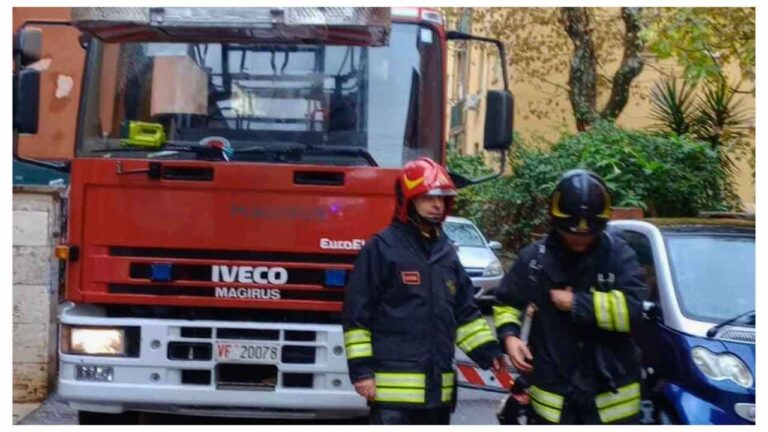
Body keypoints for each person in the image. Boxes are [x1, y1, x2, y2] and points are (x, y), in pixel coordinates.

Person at [342, 157, 505, 425]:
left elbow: (464, 314)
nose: (437, 205)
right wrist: (362, 373)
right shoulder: (382, 249)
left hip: (437, 395)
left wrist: (489, 351)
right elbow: (357, 317)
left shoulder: (446, 253)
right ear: (409, 200)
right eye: (428, 198)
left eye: (442, 199)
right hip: (392, 398)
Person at [493, 169, 649, 425]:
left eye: (588, 234)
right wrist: (509, 337)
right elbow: (506, 303)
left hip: (612, 404)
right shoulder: (535, 260)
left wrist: (578, 303)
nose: (580, 239)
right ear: (556, 222)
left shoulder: (619, 256)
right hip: (553, 403)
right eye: (572, 233)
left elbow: (634, 310)